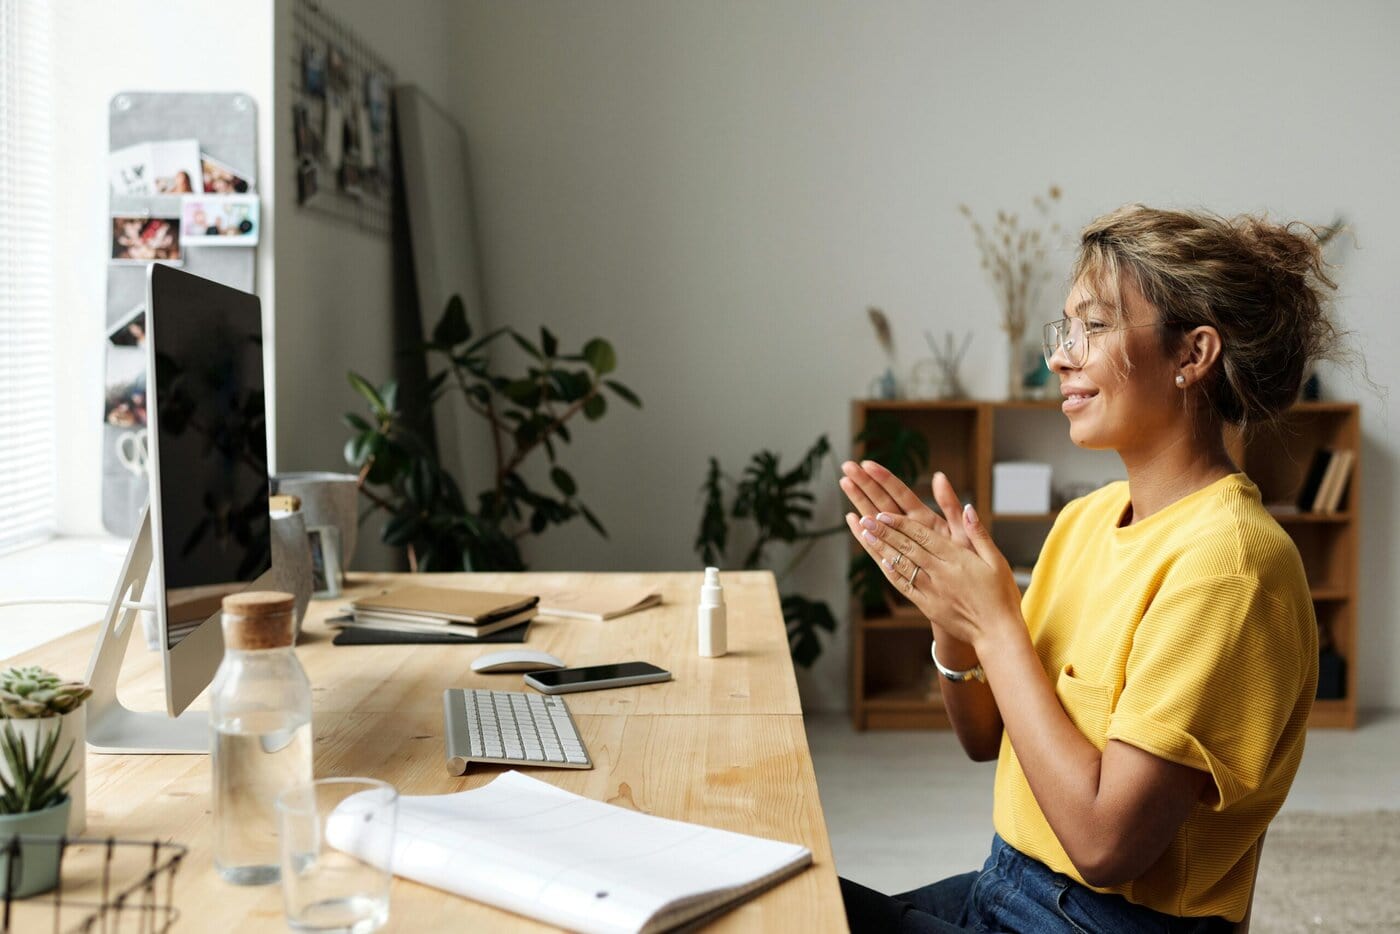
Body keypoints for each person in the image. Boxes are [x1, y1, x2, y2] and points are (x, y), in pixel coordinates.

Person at [839, 205, 1342, 933]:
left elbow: (1107, 845)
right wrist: (953, 626)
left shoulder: (1230, 568)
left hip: (1101, 920)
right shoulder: (1085, 520)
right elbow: (986, 738)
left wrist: (996, 623)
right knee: (773, 893)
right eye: (1064, 330)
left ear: (1192, 356)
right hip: (1007, 879)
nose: (1061, 358)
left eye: (1095, 327)